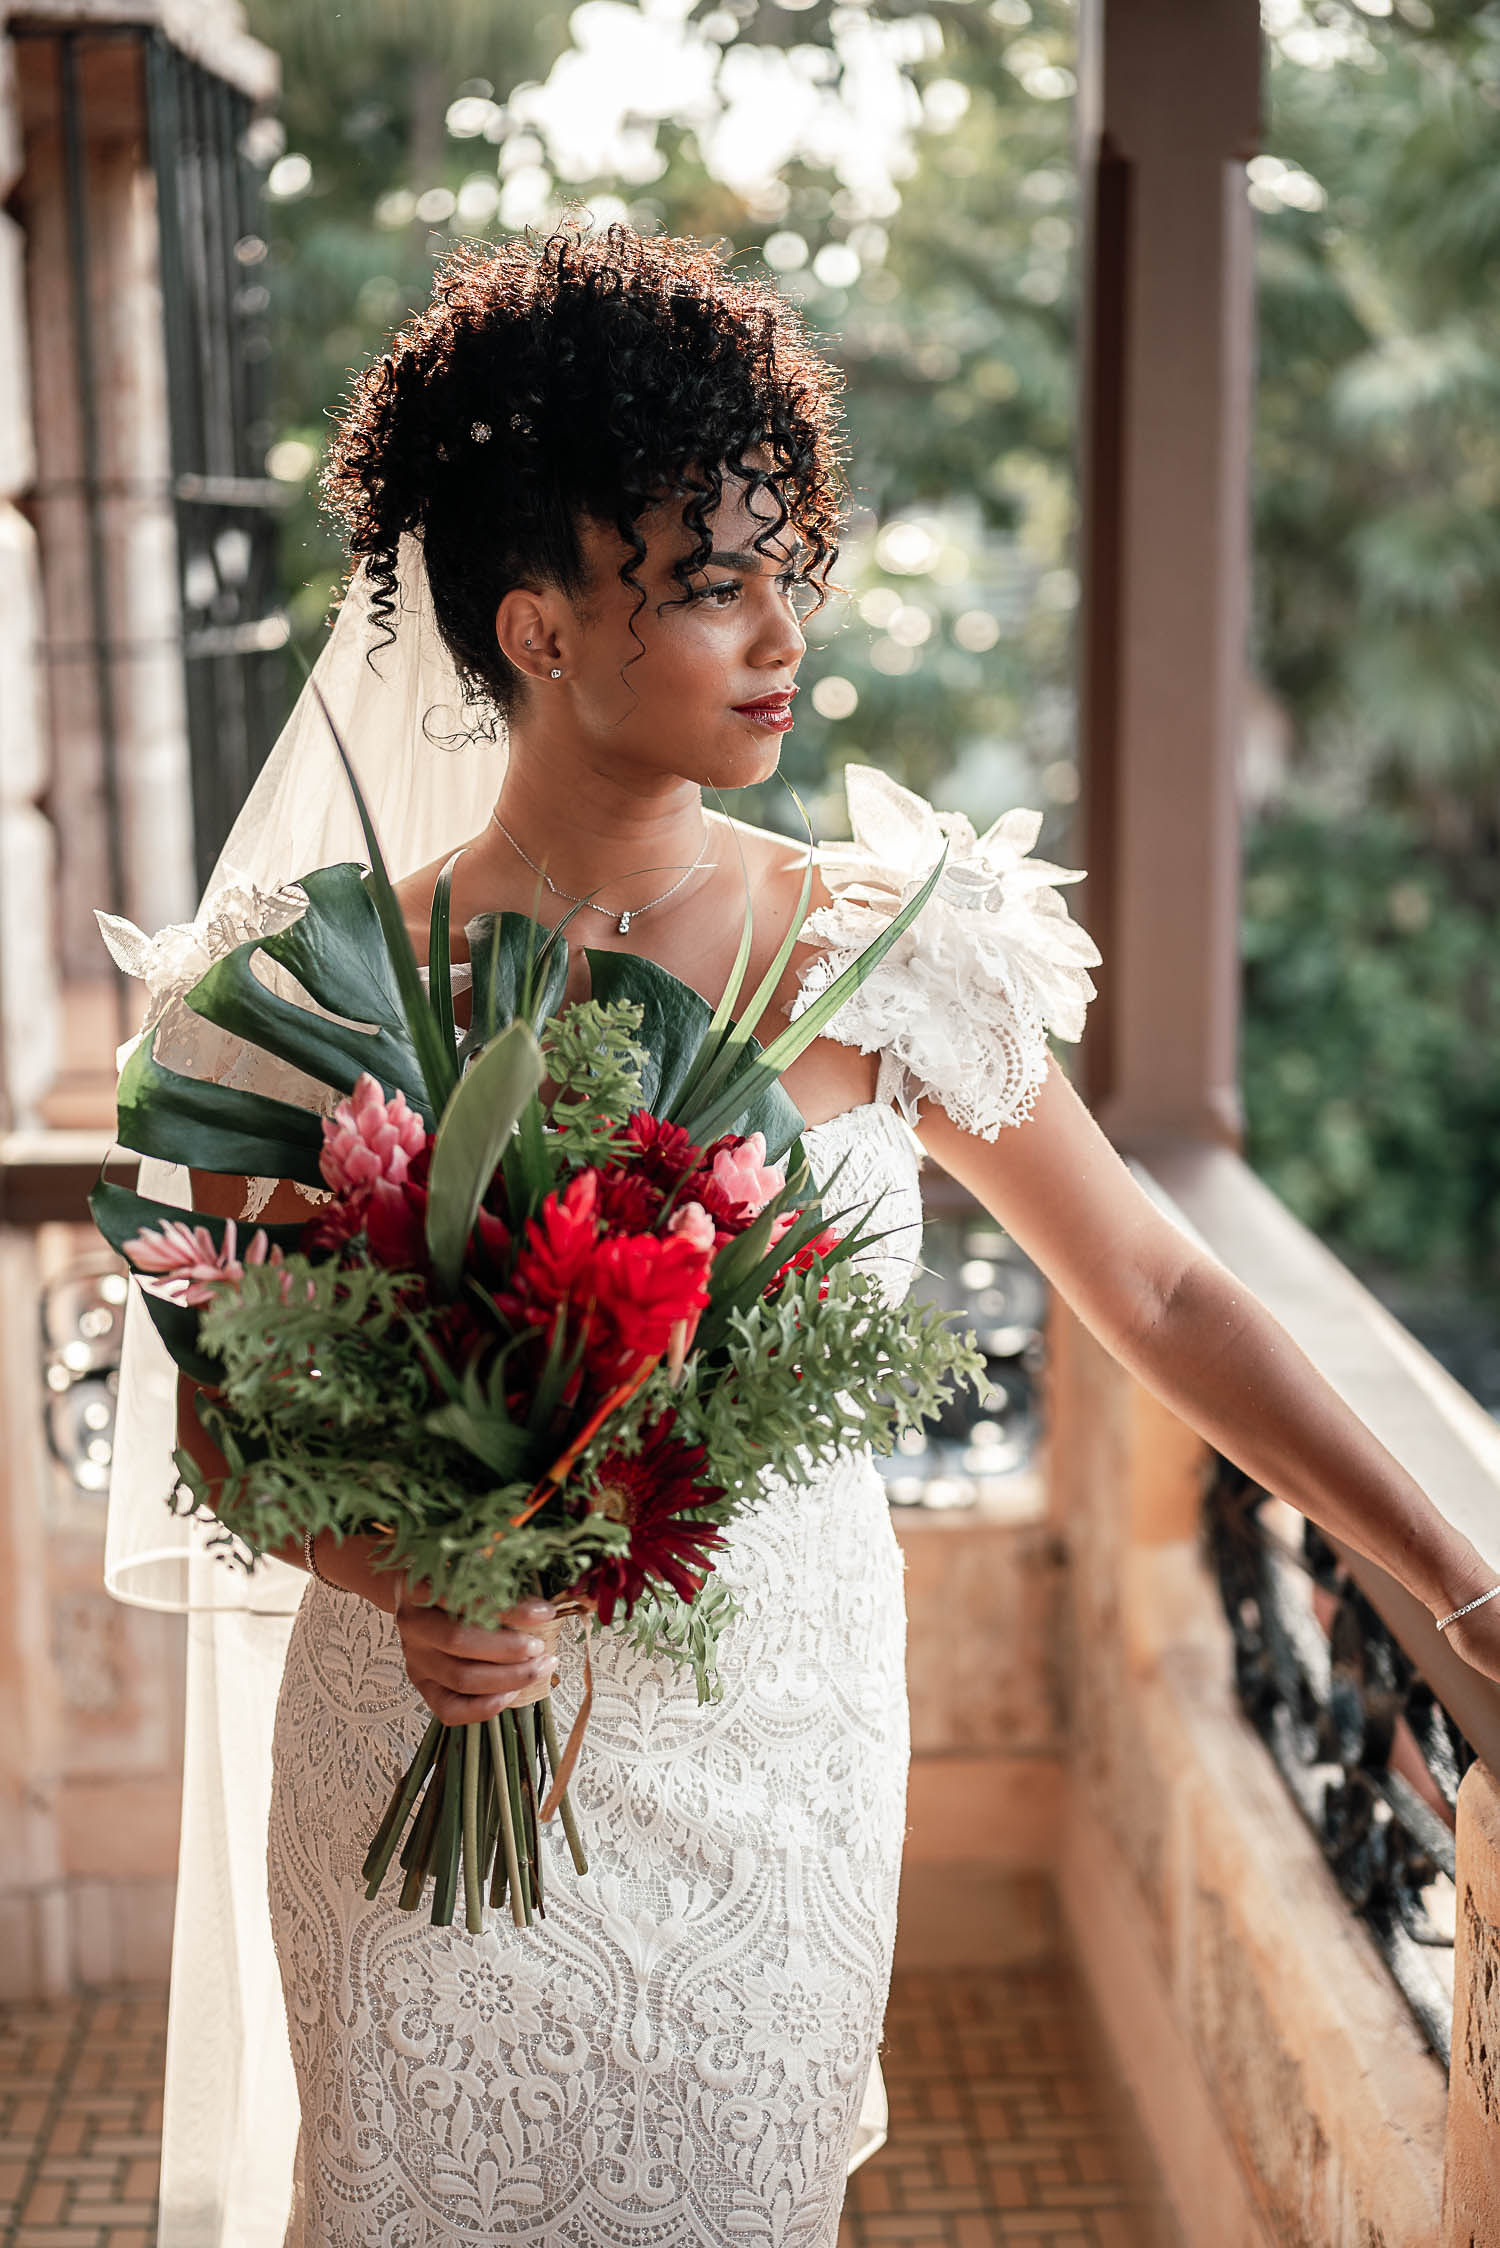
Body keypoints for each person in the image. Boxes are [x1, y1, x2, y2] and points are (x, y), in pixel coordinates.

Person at [105, 219, 1500, 2247]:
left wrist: (1461, 1586)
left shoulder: (885, 958)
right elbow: (234, 1410)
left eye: (788, 571)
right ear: (541, 626)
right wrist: (400, 1573)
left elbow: (1166, 1286)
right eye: (708, 584)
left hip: (779, 1764)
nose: (781, 636)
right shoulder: (311, 992)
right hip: (428, 1752)